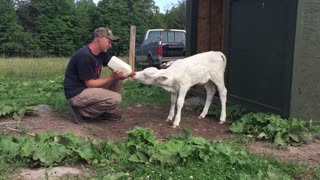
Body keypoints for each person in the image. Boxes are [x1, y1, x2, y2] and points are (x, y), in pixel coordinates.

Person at [63, 27, 127, 123]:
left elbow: (116, 66)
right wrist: (112, 77)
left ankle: (104, 111)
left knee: (118, 79)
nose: (110, 45)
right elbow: (90, 84)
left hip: (88, 89)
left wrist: (126, 73)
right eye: (109, 41)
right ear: (100, 38)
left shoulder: (101, 54)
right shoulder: (84, 55)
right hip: (77, 93)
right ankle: (81, 112)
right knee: (115, 98)